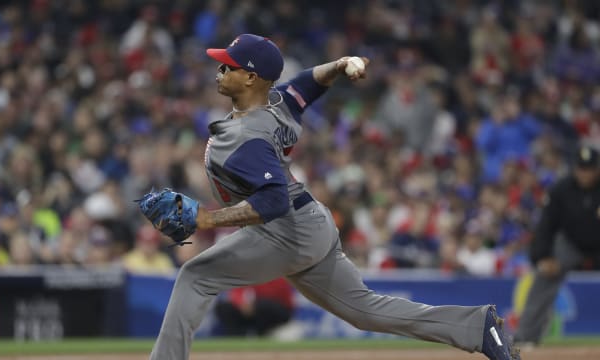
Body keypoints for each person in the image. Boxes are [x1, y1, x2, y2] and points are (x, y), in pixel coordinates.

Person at [148, 34, 520, 360]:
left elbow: (273, 201)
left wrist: (207, 220)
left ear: (250, 77)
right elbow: (308, 83)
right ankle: (477, 326)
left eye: (227, 67)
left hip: (285, 230)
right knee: (366, 311)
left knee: (195, 276)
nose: (219, 71)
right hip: (311, 223)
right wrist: (340, 65)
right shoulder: (276, 104)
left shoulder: (247, 139)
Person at [514, 145, 600, 347]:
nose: (585, 174)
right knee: (544, 275)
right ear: (575, 168)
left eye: (589, 169)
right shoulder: (561, 189)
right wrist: (542, 256)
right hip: (571, 244)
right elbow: (546, 226)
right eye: (581, 168)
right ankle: (525, 336)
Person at [214, 277, 294, 337]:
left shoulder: (278, 277)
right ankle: (236, 337)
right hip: (257, 309)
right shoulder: (253, 273)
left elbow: (286, 303)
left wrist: (253, 306)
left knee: (263, 305)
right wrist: (242, 304)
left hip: (279, 312)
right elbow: (238, 291)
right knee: (224, 307)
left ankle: (261, 335)